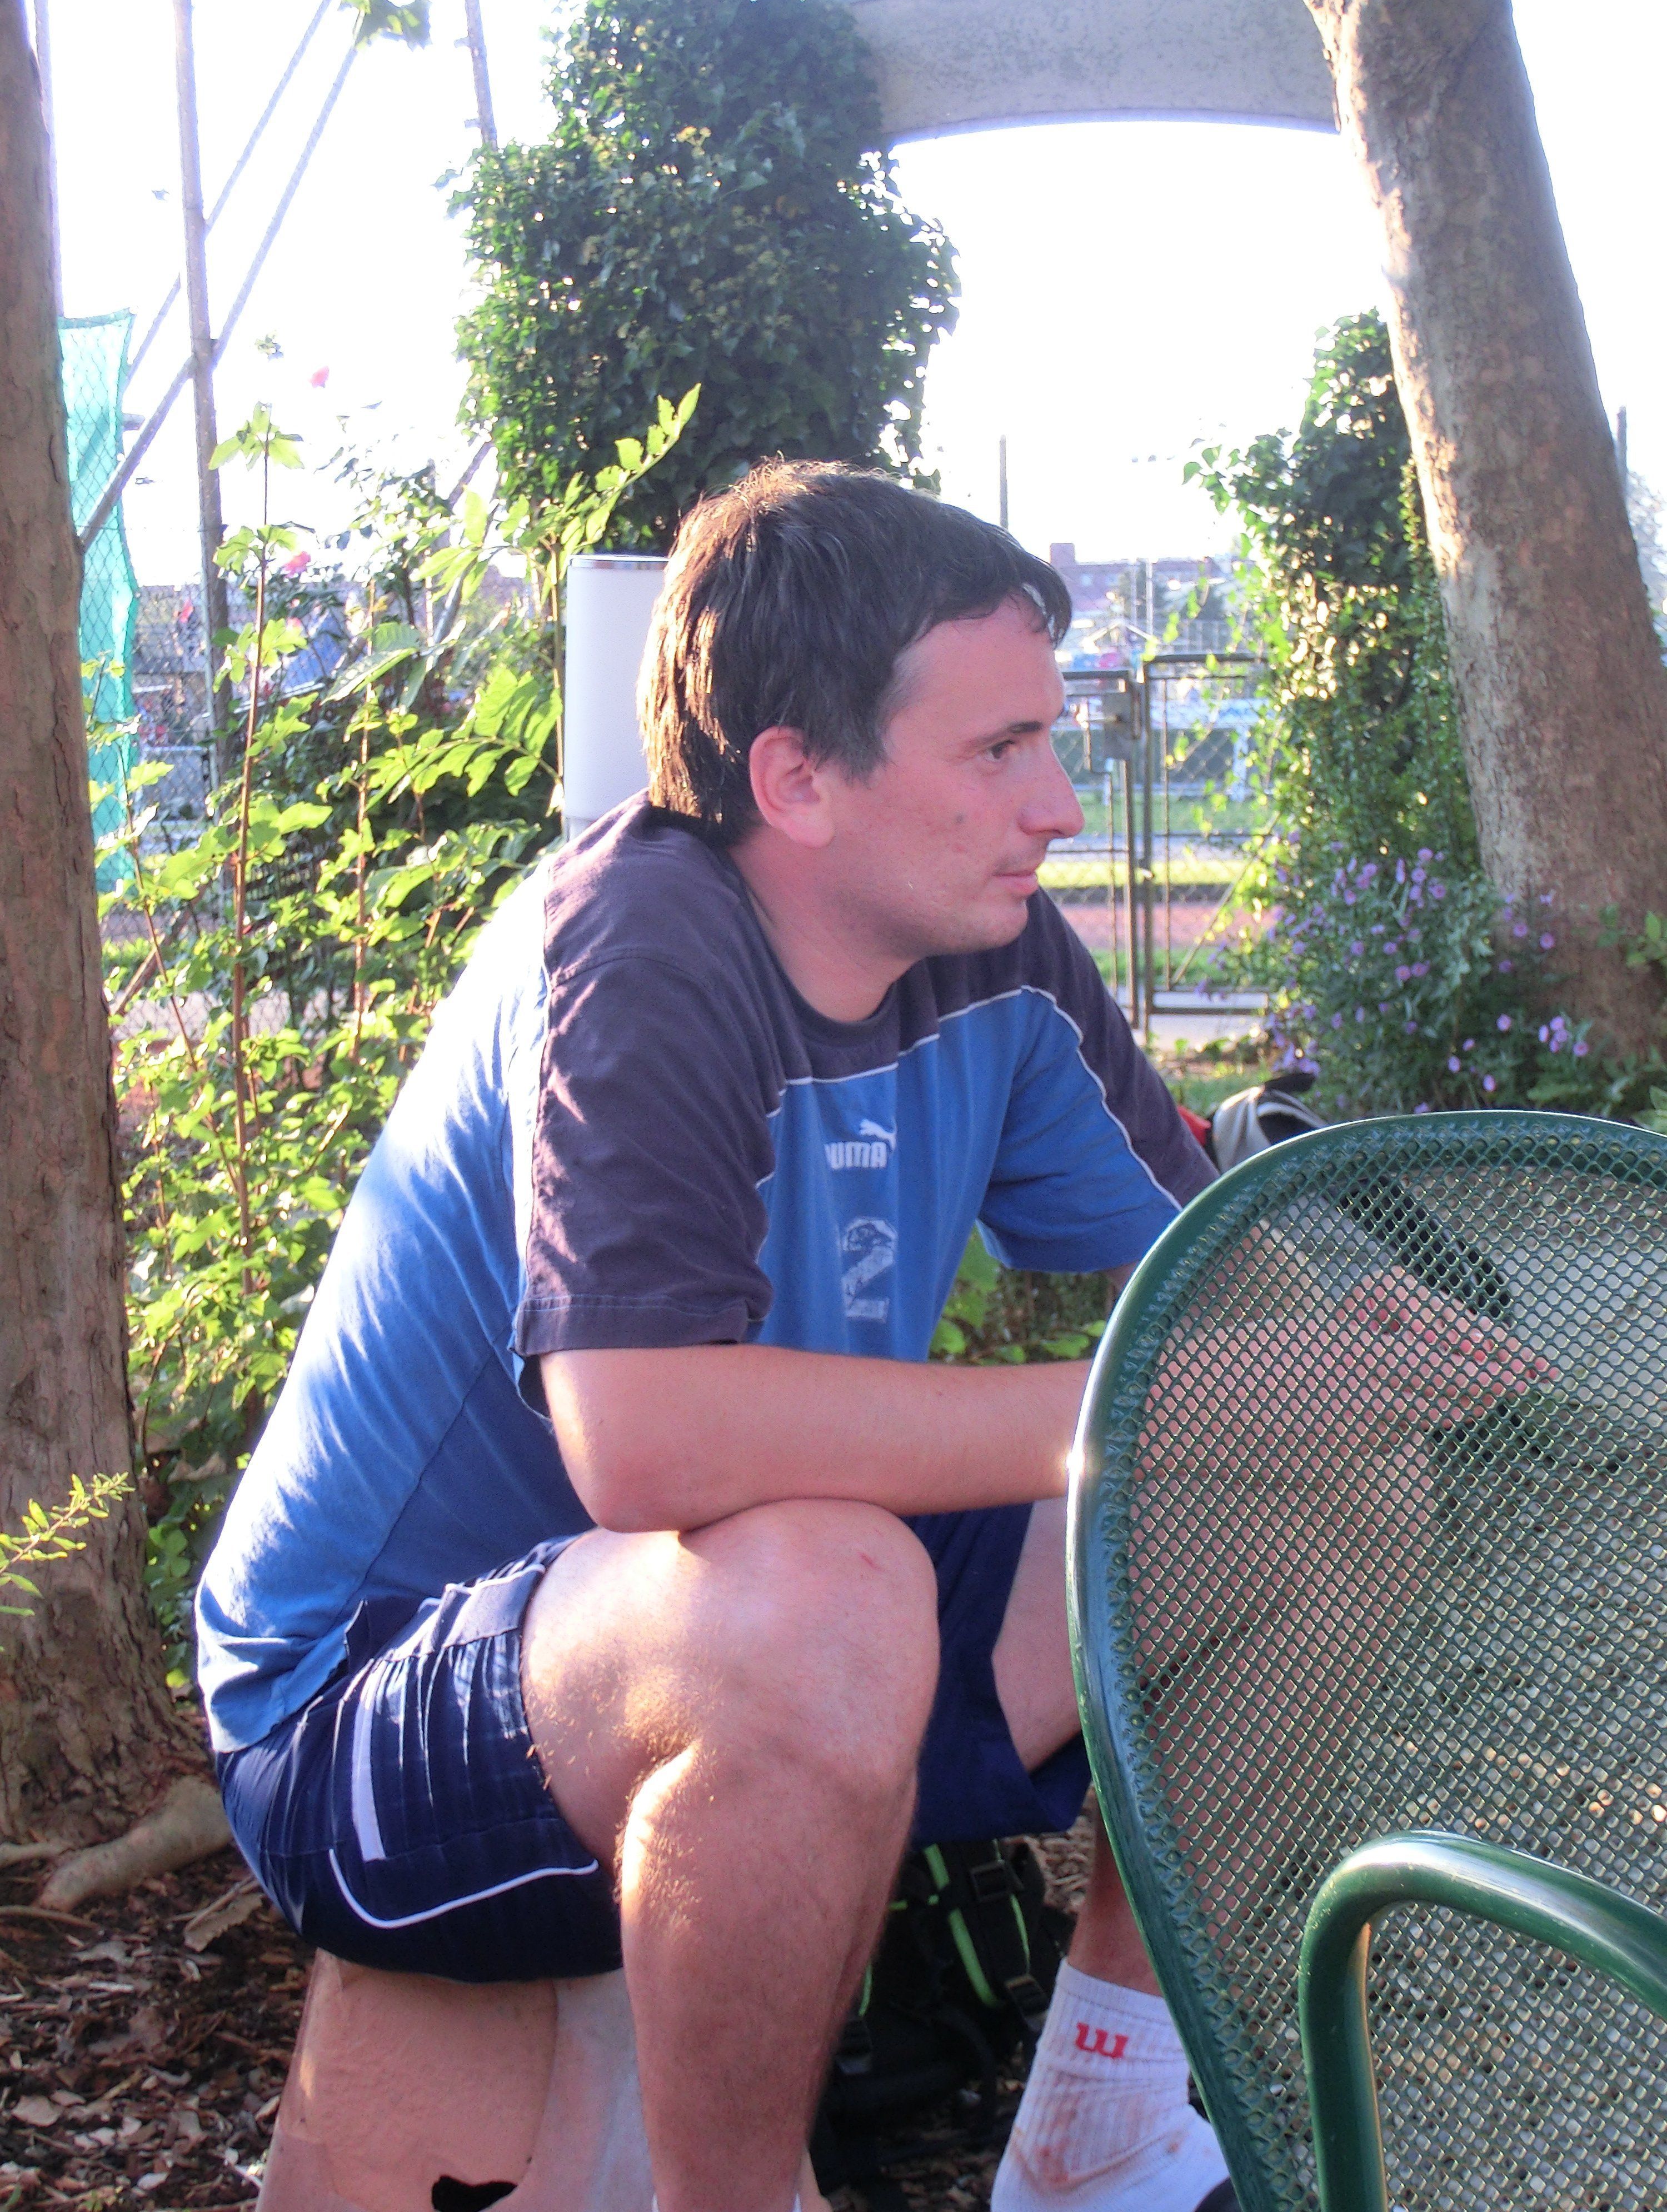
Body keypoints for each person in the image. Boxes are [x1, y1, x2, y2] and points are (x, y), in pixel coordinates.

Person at [197, 463, 1538, 2212]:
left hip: (764, 1629)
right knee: (826, 1586)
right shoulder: (640, 943)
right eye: (1000, 750)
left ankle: (1112, 2135)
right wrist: (1178, 1398)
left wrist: (1356, 1356)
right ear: (798, 781)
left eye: (1052, 740)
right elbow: (649, 1442)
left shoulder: (992, 949)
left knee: (1325, 1493)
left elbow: (1206, 1284)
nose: (1059, 803)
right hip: (358, 1708)